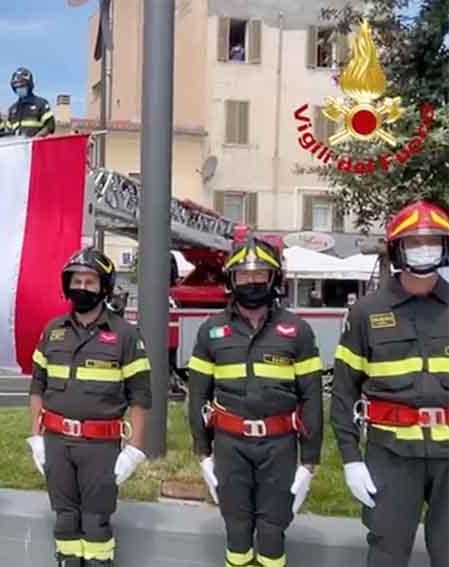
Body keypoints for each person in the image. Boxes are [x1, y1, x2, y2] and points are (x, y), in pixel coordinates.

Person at [187, 237, 323, 567]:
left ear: (274, 278)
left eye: (259, 274)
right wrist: (203, 453)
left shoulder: (298, 330)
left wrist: (309, 462)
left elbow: (312, 397)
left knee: (273, 531)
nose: (251, 282)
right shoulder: (211, 330)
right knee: (236, 530)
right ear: (231, 280)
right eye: (243, 276)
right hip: (230, 445)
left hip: (279, 445)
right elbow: (197, 396)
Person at [331, 200, 449, 567]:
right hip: (391, 455)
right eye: (415, 241)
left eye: (434, 240)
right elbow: (344, 393)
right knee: (387, 555)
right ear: (398, 247)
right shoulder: (367, 312)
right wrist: (351, 459)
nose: (425, 247)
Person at [27, 248, 151, 567]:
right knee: (65, 519)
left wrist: (135, 448)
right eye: (76, 280)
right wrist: (35, 437)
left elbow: (140, 394)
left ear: (104, 287)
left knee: (96, 522)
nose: (82, 287)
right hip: (55, 441)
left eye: (90, 281)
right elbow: (37, 385)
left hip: (100, 444)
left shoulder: (125, 335)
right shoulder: (52, 331)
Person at [6, 67, 55, 138]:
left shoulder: (41, 103)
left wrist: (36, 138)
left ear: (29, 85)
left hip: (36, 146)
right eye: (17, 86)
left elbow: (50, 126)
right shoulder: (12, 109)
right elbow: (8, 131)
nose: (19, 88)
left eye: (22, 85)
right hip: (16, 147)